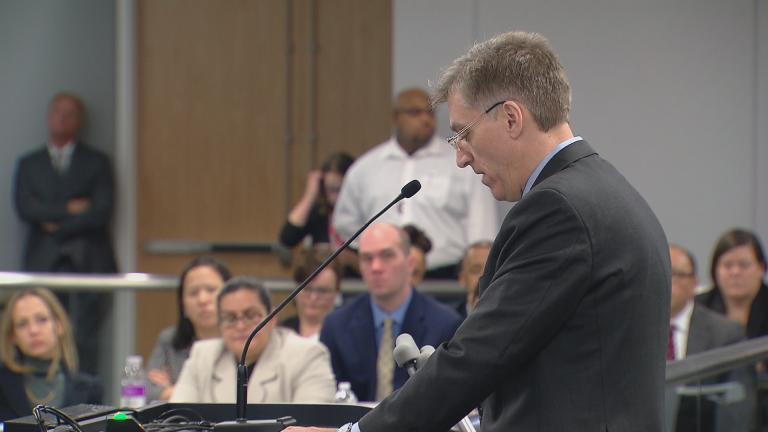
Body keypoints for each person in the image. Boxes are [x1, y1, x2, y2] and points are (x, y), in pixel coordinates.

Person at [288, 31, 670, 432]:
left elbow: (481, 354)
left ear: (510, 118)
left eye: (462, 134)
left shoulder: (558, 209)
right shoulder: (608, 191)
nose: (460, 157)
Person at [332, 88, 498, 279]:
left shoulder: (461, 162)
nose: (425, 119)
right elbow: (344, 223)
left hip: (444, 277)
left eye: (429, 113)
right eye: (415, 113)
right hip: (381, 275)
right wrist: (371, 252)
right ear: (395, 118)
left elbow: (482, 230)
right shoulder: (366, 168)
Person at [13, 92, 117, 374]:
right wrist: (70, 209)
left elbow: (100, 211)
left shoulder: (96, 162)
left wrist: (54, 221)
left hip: (89, 262)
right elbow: (26, 209)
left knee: (84, 338)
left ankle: (85, 405)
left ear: (80, 121)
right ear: (48, 117)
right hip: (43, 261)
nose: (63, 117)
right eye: (58, 111)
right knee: (41, 334)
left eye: (70, 113)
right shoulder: (29, 163)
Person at [319, 224, 462, 402]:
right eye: (367, 258)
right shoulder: (336, 325)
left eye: (387, 256)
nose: (376, 267)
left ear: (410, 263)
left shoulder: (445, 324)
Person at [170, 277, 335, 403]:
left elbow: (312, 426)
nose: (240, 326)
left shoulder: (308, 355)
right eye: (230, 318)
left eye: (251, 315)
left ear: (272, 317)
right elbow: (176, 422)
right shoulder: (202, 356)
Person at [668, 244, 750, 432]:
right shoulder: (633, 328)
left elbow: (736, 412)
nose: (666, 282)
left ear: (694, 283)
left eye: (675, 274)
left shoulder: (726, 334)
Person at [0, 288, 102, 421]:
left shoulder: (89, 389)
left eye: (41, 320)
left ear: (59, 325)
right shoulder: (2, 388)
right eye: (22, 324)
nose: (33, 330)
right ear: (12, 336)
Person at [146, 256, 232, 401]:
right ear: (182, 305)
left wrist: (174, 391)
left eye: (211, 290)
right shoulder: (169, 340)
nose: (202, 300)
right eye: (193, 293)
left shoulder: (243, 341)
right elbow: (149, 391)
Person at [697, 228, 768, 338]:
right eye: (727, 265)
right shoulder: (699, 306)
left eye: (744, 265)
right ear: (715, 269)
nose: (735, 272)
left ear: (761, 268)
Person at [279, 152, 355, 248]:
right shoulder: (320, 212)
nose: (337, 196)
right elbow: (287, 238)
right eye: (331, 189)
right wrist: (309, 195)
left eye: (341, 189)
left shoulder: (362, 213)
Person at [280, 247, 342, 339]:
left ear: (336, 292)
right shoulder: (279, 334)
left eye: (322, 291)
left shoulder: (346, 335)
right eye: (307, 289)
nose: (313, 297)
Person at [455, 240, 492, 317]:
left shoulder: (517, 320)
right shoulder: (448, 322)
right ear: (462, 279)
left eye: (491, 269)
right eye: (476, 270)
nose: (483, 276)